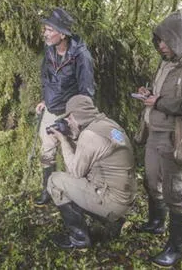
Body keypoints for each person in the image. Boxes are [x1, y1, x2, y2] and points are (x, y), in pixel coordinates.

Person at [134, 10, 182, 267]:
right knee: (151, 181)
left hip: (175, 138)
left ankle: (176, 248)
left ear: (178, 38)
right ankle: (156, 223)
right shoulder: (165, 63)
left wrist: (158, 101)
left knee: (174, 191)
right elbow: (160, 94)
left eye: (164, 40)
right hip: (154, 133)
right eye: (158, 40)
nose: (160, 45)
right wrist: (148, 93)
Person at [47, 95, 136, 249]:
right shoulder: (107, 124)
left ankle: (79, 239)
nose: (68, 123)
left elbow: (75, 172)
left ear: (75, 116)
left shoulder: (90, 135)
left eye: (68, 119)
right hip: (124, 197)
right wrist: (72, 136)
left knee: (55, 181)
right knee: (72, 184)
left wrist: (63, 140)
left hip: (112, 201)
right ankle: (113, 222)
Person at [34, 7, 95, 206]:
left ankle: (77, 194)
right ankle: (47, 190)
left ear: (62, 33)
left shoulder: (81, 56)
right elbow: (46, 78)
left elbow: (86, 91)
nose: (46, 33)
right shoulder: (49, 50)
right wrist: (45, 100)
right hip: (51, 110)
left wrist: (77, 118)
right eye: (45, 29)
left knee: (75, 155)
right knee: (47, 151)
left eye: (50, 30)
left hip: (71, 112)